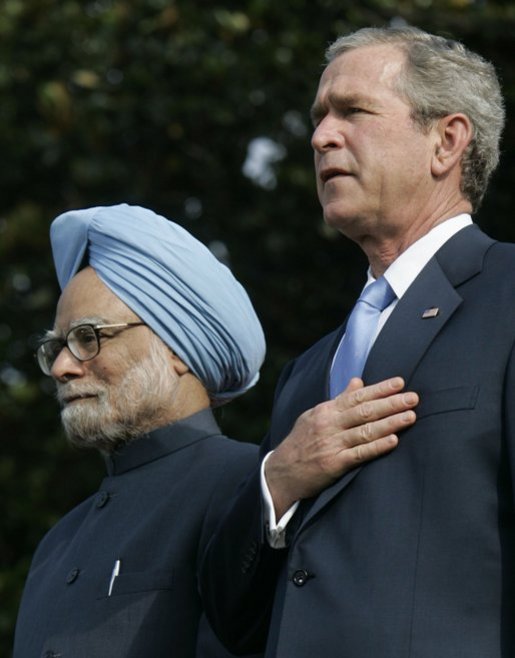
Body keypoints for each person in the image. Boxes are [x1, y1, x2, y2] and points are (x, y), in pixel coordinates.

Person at [200, 25, 515, 658]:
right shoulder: (309, 369)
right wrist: (279, 480)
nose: (320, 137)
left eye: (353, 111)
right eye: (319, 118)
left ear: (447, 141)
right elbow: (233, 620)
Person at [12, 203, 269, 658]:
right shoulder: (57, 544)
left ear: (178, 349)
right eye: (56, 346)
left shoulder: (250, 485)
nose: (60, 367)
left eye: (88, 338)